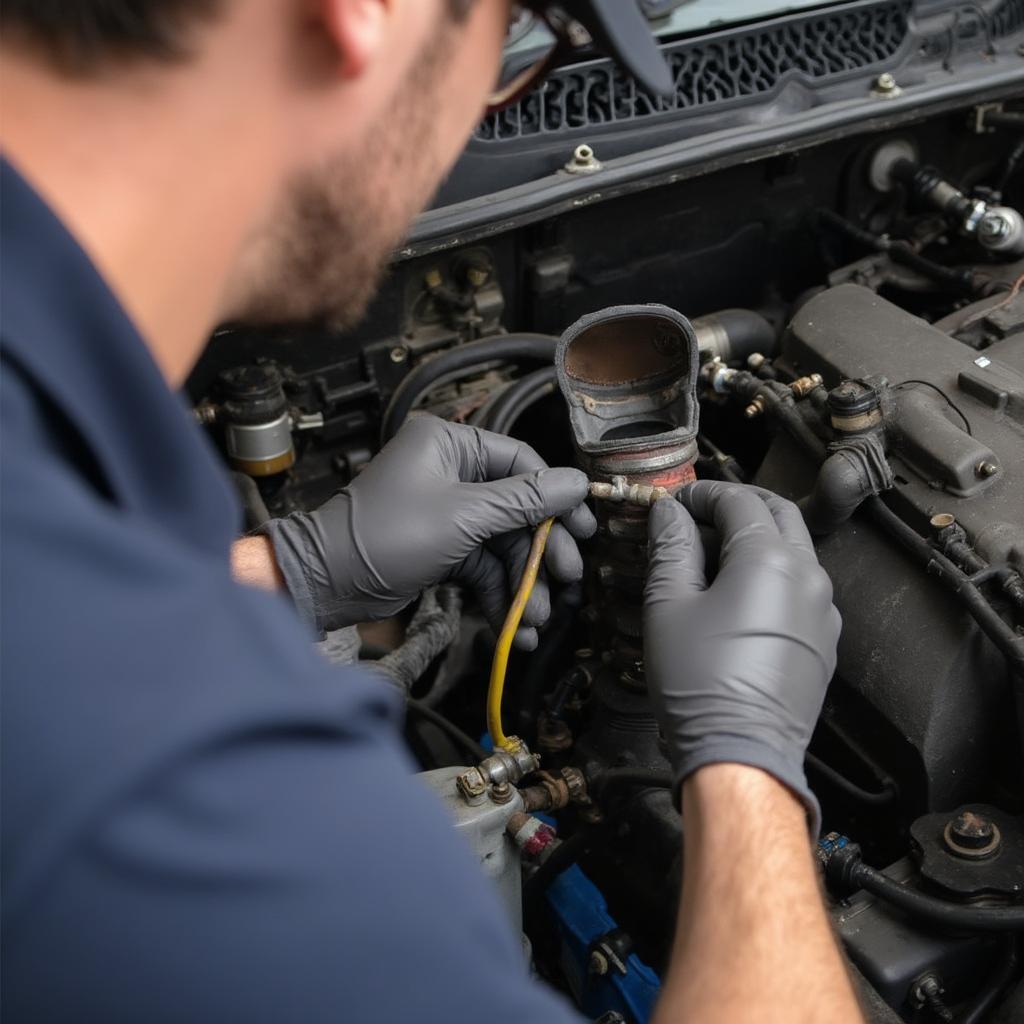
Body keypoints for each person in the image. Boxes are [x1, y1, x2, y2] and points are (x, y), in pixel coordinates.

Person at [0, 2, 864, 1021]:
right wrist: (746, 766)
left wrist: (288, 572)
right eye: (510, 45)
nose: (483, 105)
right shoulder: (216, 828)